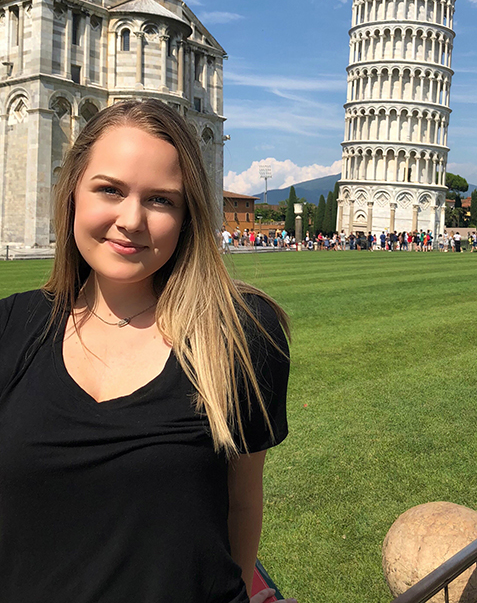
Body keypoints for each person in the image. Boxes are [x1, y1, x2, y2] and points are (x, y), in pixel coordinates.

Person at [0, 100, 295, 603]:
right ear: (72, 192)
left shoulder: (240, 333)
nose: (131, 219)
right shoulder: (11, 326)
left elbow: (242, 502)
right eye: (110, 190)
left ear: (188, 215)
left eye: (160, 200)